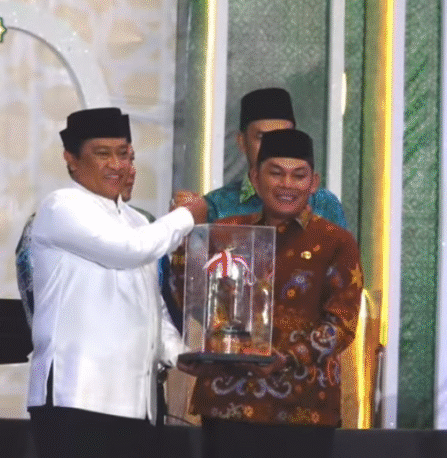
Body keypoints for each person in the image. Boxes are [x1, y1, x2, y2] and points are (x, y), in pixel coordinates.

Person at [26, 107, 206, 458]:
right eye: (102, 154)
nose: (116, 165)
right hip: (76, 397)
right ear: (71, 159)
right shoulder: (62, 206)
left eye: (123, 154)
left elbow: (152, 306)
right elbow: (128, 251)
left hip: (137, 403)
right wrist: (187, 216)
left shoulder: (138, 222)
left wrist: (177, 353)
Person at [179, 129, 362, 458]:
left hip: (304, 407)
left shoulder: (335, 241)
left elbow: (342, 323)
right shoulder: (228, 234)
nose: (287, 185)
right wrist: (183, 243)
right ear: (255, 178)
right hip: (229, 402)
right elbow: (193, 304)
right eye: (276, 173)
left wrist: (288, 357)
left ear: (314, 182)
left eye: (298, 176)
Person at [204, 88, 347, 228]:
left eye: (284, 136)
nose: (274, 145)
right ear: (242, 142)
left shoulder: (323, 204)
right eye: (262, 137)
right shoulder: (216, 206)